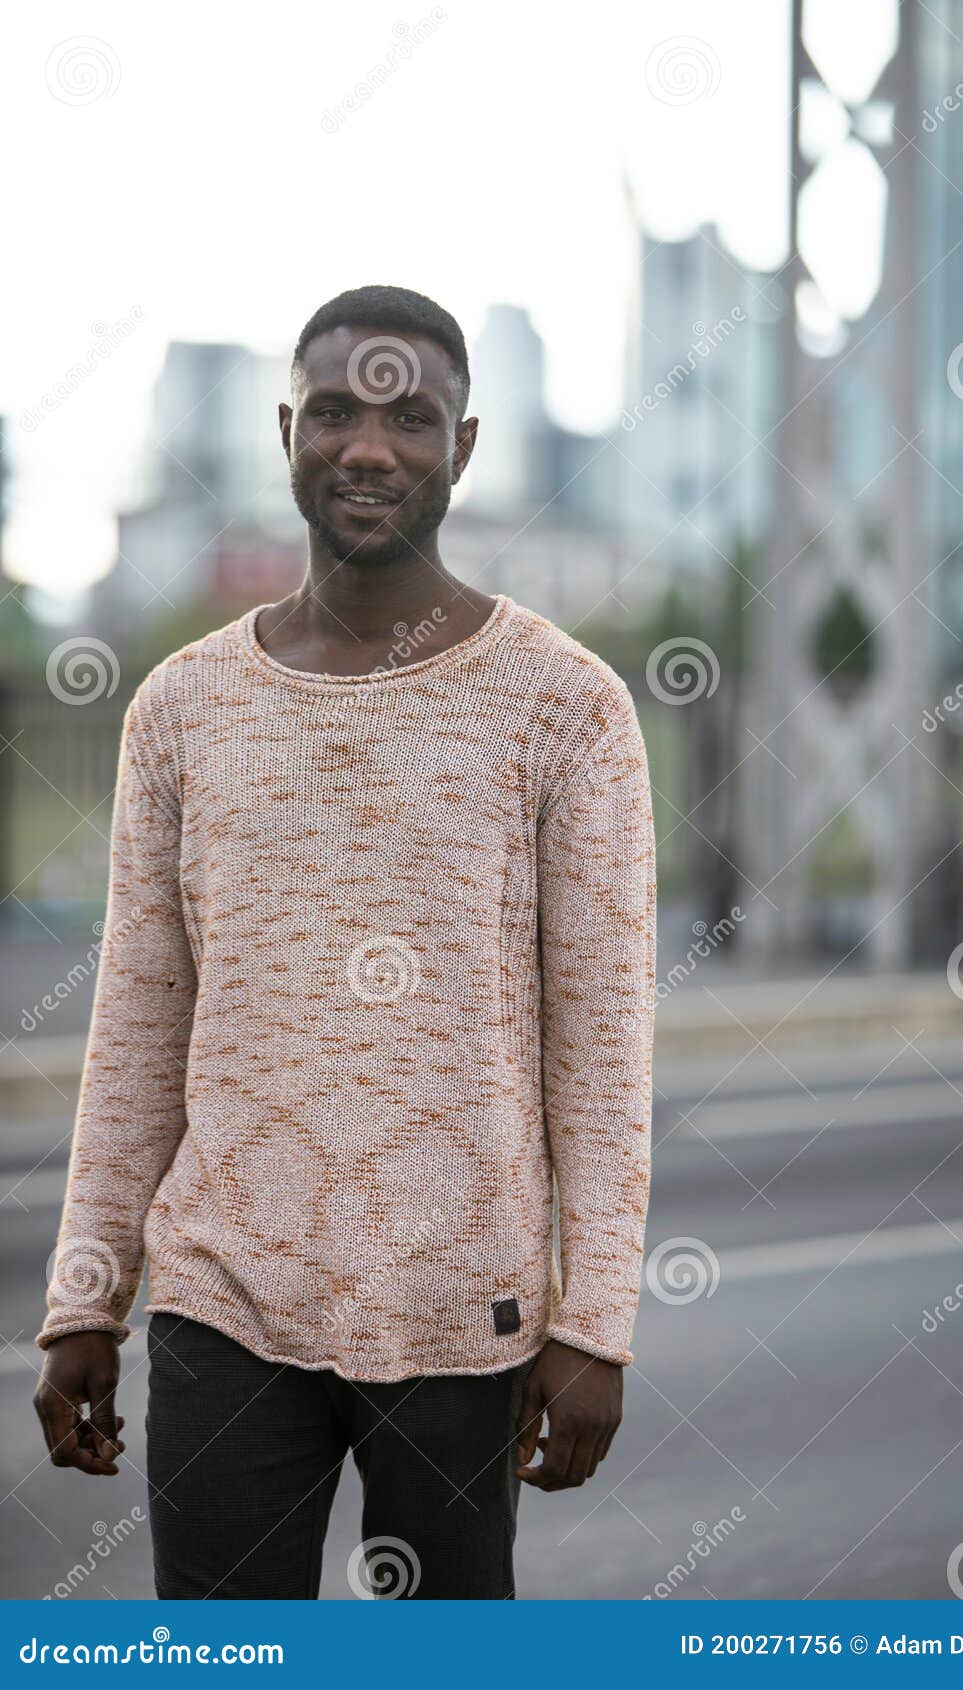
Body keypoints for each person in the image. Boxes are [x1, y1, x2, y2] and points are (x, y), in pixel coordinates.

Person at [33, 285, 657, 1601]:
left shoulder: (566, 708)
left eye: (409, 417)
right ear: (286, 430)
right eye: (334, 412)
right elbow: (140, 1016)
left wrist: (595, 1321)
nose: (367, 447)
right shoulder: (182, 708)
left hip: (463, 1314)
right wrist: (89, 1290)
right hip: (222, 1300)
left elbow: (600, 1040)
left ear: (465, 447)